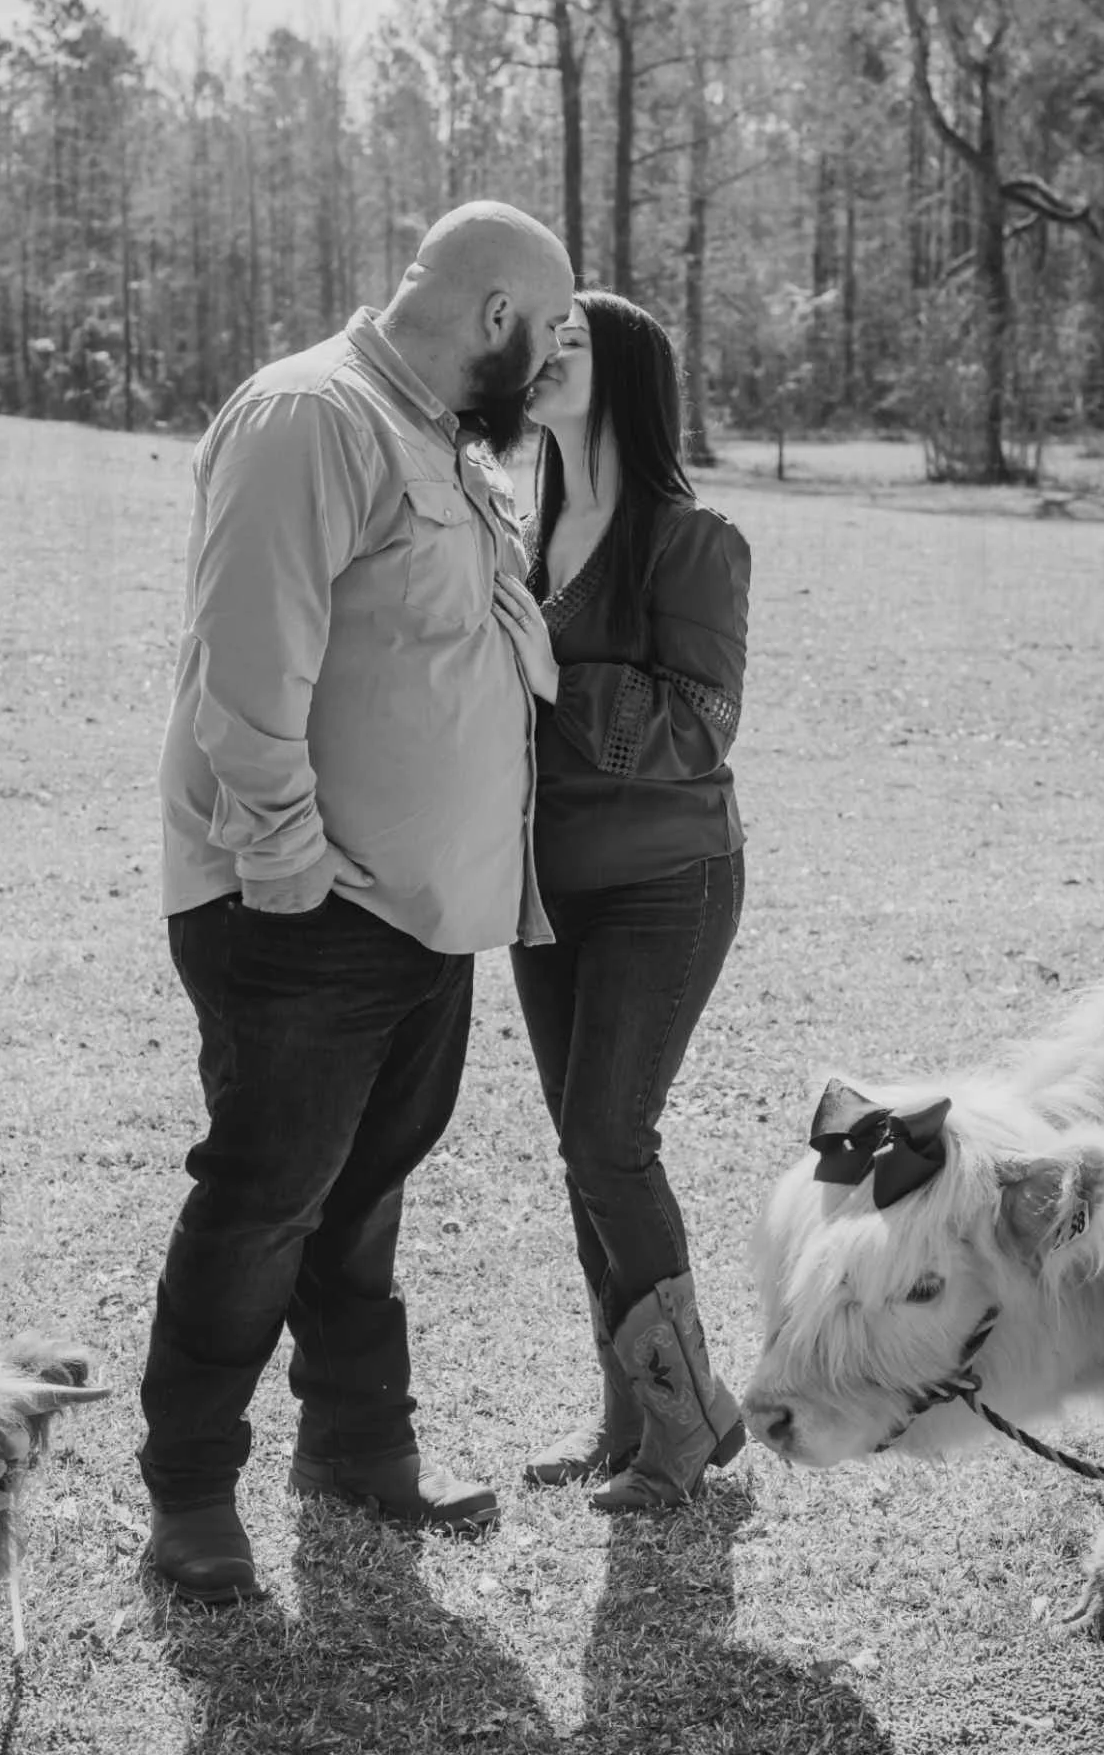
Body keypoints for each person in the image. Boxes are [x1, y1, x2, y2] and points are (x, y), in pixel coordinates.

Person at [141, 201, 575, 1600]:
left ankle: (355, 1449)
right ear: (496, 315)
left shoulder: (442, 436)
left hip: (422, 913)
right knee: (263, 1200)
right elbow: (245, 662)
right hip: (307, 906)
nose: (557, 354)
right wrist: (280, 867)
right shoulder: (308, 417)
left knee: (363, 1194)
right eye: (550, 328)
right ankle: (193, 1497)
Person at [491, 289, 750, 1512]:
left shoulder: (693, 540)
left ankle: (686, 1423)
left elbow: (703, 731)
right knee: (581, 1150)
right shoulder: (515, 532)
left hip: (667, 881)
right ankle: (636, 1417)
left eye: (572, 343)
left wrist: (550, 668)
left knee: (609, 1136)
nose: (543, 358)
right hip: (548, 893)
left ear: (629, 377)